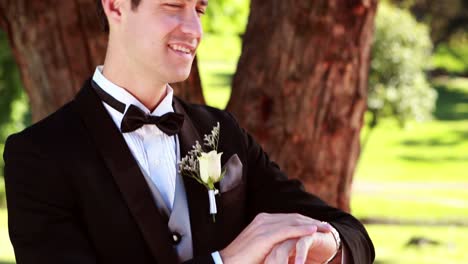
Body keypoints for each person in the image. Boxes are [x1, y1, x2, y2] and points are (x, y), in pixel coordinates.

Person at [3, 0, 375, 263]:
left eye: (199, 8)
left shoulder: (221, 131)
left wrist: (327, 245)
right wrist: (225, 262)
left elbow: (351, 233)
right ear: (115, 6)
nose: (194, 30)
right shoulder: (38, 154)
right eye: (173, 6)